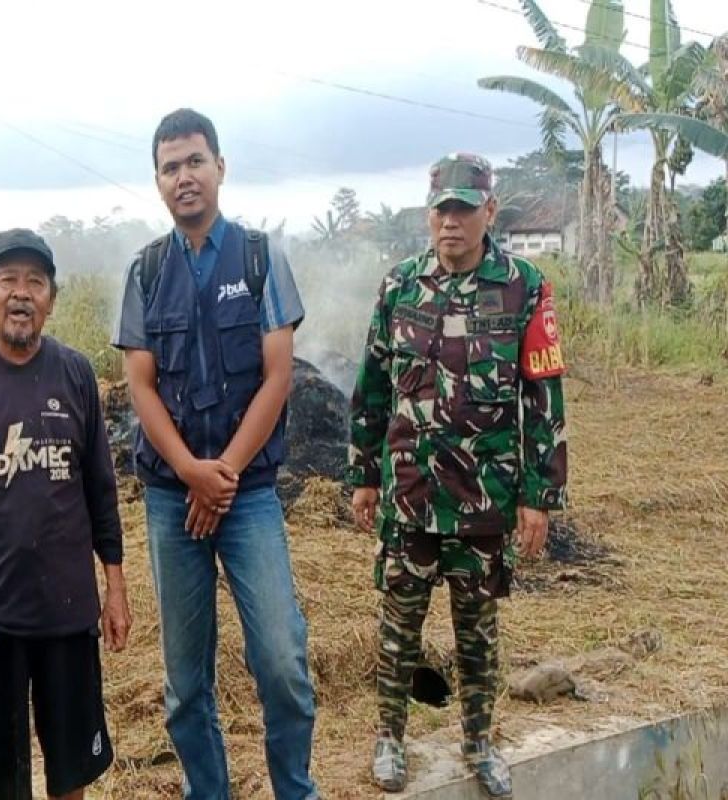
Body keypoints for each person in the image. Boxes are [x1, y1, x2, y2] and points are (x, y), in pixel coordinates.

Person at [111, 108, 318, 800]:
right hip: (173, 500)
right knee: (183, 683)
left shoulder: (260, 258)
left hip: (247, 495)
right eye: (170, 167)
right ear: (159, 181)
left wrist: (221, 474)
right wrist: (191, 475)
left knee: (283, 661)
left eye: (195, 161)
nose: (184, 177)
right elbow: (138, 384)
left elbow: (278, 375)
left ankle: (295, 787)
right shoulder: (145, 271)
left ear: (220, 167)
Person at [348, 153, 568, 797]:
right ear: (429, 213)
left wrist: (539, 495)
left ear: (489, 213)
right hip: (411, 495)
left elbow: (544, 397)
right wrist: (364, 474)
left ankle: (479, 740)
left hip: (485, 500)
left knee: (478, 633)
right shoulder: (399, 287)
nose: (453, 221)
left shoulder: (525, 287)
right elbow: (372, 387)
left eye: (465, 209)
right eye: (443, 209)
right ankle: (390, 737)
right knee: (398, 628)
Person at [0, 228, 132, 800]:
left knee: (71, 773)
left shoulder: (76, 374)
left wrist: (115, 587)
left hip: (66, 614)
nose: (21, 293)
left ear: (51, 298)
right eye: (7, 279)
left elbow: (100, 490)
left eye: (36, 281)